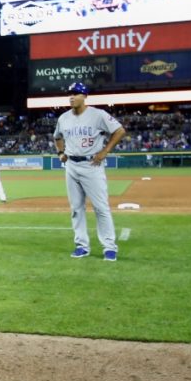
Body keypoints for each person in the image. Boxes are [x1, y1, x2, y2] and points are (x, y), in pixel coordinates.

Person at [53, 82, 127, 262]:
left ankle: (109, 247)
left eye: (76, 93)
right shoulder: (63, 118)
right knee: (76, 209)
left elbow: (119, 131)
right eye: (69, 93)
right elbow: (57, 137)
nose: (71, 96)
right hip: (71, 165)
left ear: (85, 96)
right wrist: (61, 152)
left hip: (91, 165)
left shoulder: (97, 115)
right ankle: (81, 246)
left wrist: (105, 151)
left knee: (101, 208)